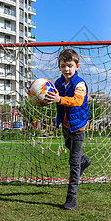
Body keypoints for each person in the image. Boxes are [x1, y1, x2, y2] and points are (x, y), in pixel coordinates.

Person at [45, 48, 91, 210]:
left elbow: (78, 101)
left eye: (70, 66)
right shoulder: (58, 83)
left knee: (73, 162)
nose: (67, 69)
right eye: (63, 66)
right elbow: (51, 94)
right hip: (65, 125)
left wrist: (59, 99)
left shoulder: (80, 84)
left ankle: (71, 198)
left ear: (77, 66)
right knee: (70, 148)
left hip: (78, 126)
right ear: (59, 67)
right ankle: (84, 161)